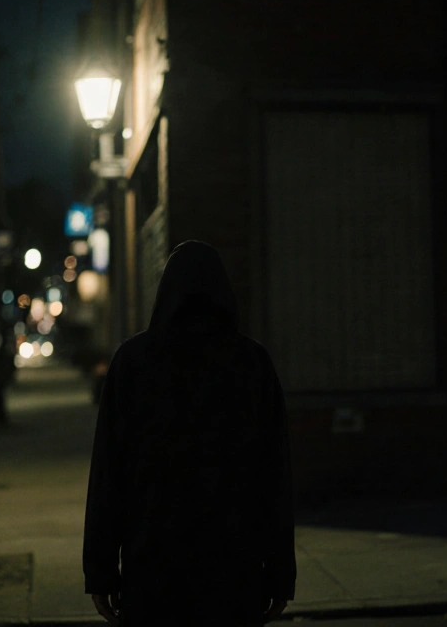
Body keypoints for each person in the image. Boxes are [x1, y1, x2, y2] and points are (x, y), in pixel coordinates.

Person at [83, 240, 296, 627]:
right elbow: (275, 476)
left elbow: (107, 474)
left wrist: (100, 571)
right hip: (233, 564)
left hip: (152, 562)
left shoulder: (133, 362)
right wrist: (280, 574)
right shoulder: (251, 363)